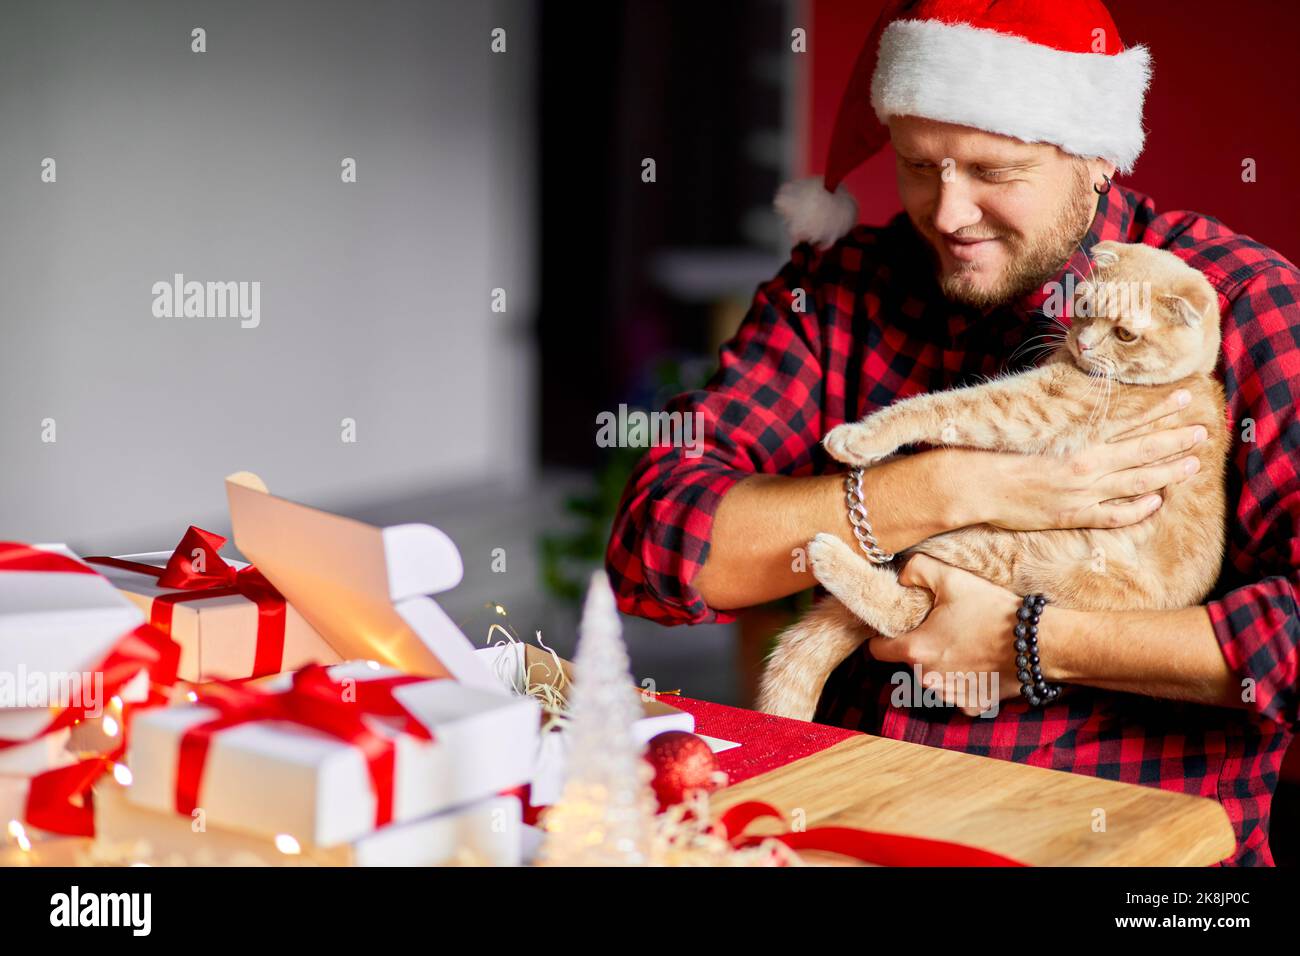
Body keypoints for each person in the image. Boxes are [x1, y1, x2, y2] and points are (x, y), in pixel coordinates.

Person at [605, 0, 1300, 866]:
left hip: (1128, 848)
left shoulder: (1236, 304)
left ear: (1094, 159)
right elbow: (657, 547)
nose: (950, 212)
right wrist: (942, 487)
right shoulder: (839, 288)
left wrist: (1030, 640)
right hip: (857, 820)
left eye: (992, 169)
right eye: (918, 166)